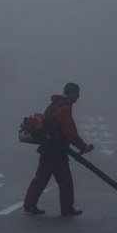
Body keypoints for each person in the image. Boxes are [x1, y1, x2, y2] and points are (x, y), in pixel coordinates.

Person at [23, 82, 93, 216]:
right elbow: (71, 133)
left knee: (41, 178)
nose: (78, 97)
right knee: (65, 180)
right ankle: (67, 208)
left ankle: (29, 204)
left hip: (47, 148)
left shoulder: (55, 105)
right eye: (77, 94)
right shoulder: (64, 109)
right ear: (70, 93)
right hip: (56, 150)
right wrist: (83, 147)